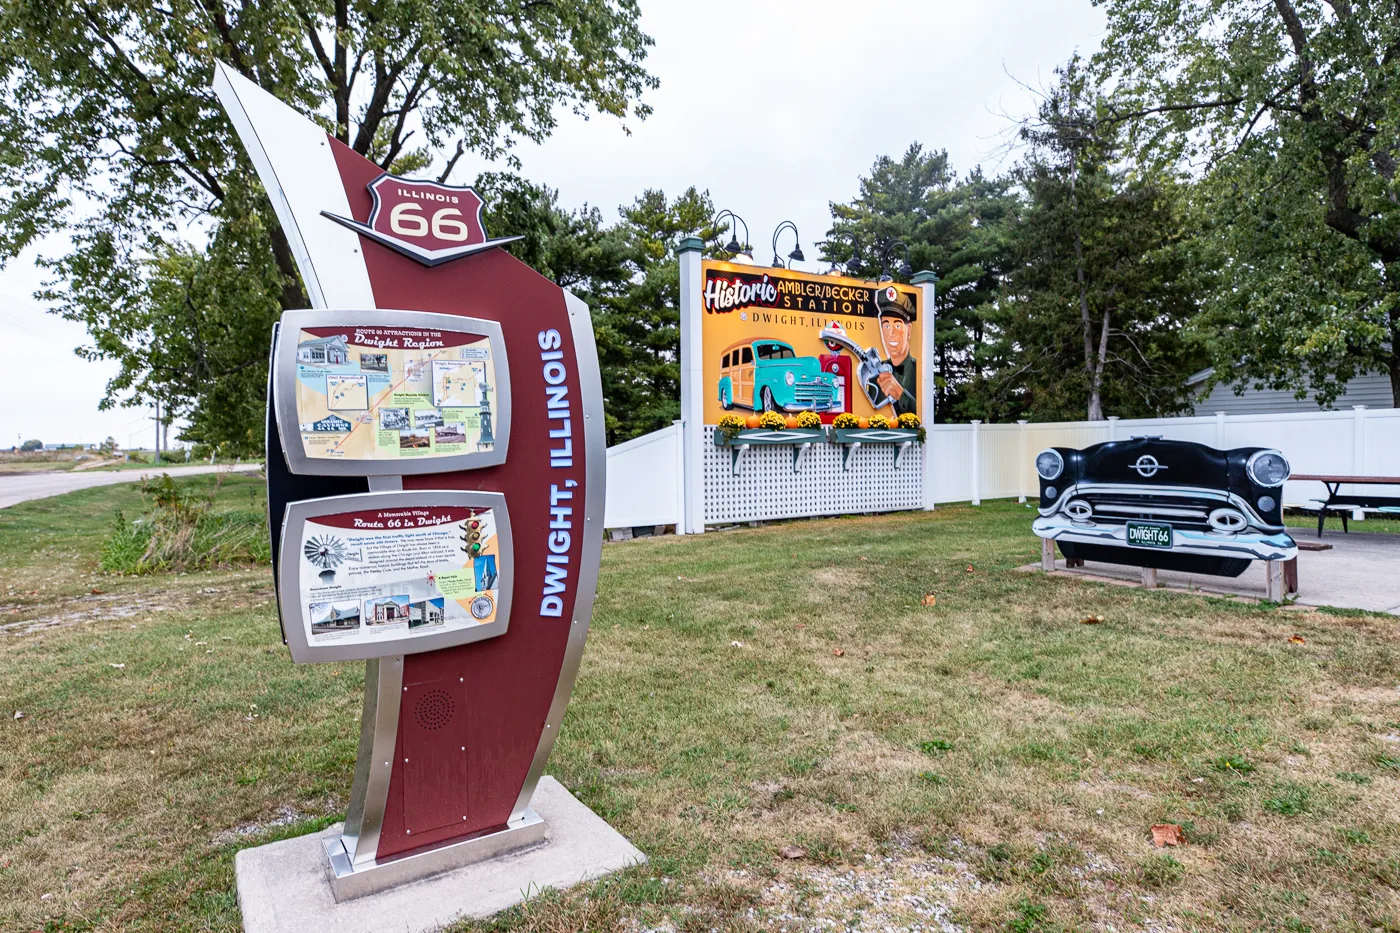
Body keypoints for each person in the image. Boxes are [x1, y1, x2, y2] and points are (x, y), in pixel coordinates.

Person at [866, 285, 917, 417]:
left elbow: (926, 411)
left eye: (898, 325)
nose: (891, 333)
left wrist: (900, 393)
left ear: (909, 331)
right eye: (887, 325)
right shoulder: (875, 374)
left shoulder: (919, 371)